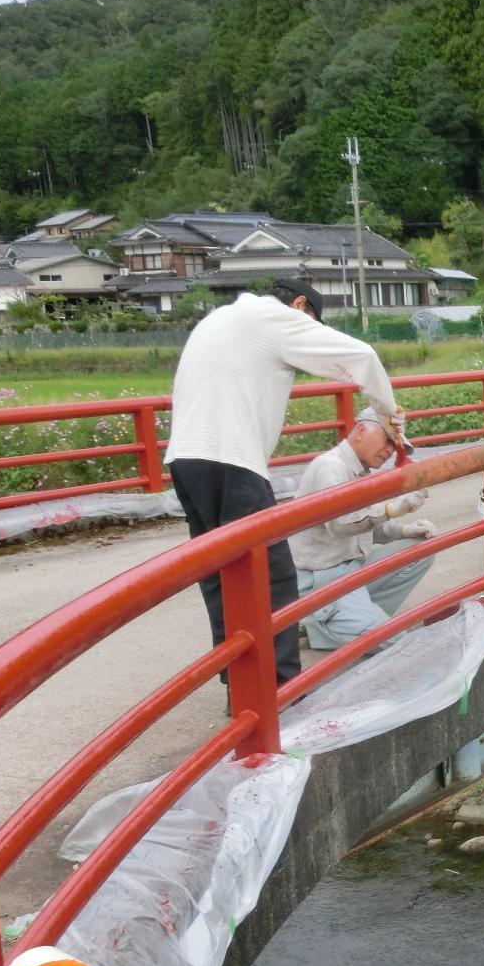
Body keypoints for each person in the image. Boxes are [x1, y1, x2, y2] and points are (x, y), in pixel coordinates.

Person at [165, 278, 403, 684]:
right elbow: (360, 357)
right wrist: (388, 412)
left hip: (185, 460)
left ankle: (240, 686)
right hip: (231, 461)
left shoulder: (220, 319)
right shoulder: (275, 318)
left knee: (222, 578)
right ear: (298, 304)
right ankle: (278, 690)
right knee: (270, 577)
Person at [289, 409, 436, 650]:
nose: (390, 450)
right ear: (360, 431)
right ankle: (324, 621)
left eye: (395, 444)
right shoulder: (331, 467)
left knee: (421, 549)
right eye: (387, 439)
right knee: (396, 642)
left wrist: (403, 531)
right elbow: (339, 524)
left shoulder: (361, 470)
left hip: (350, 571)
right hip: (323, 582)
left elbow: (364, 528)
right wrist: (391, 509)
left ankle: (358, 615)